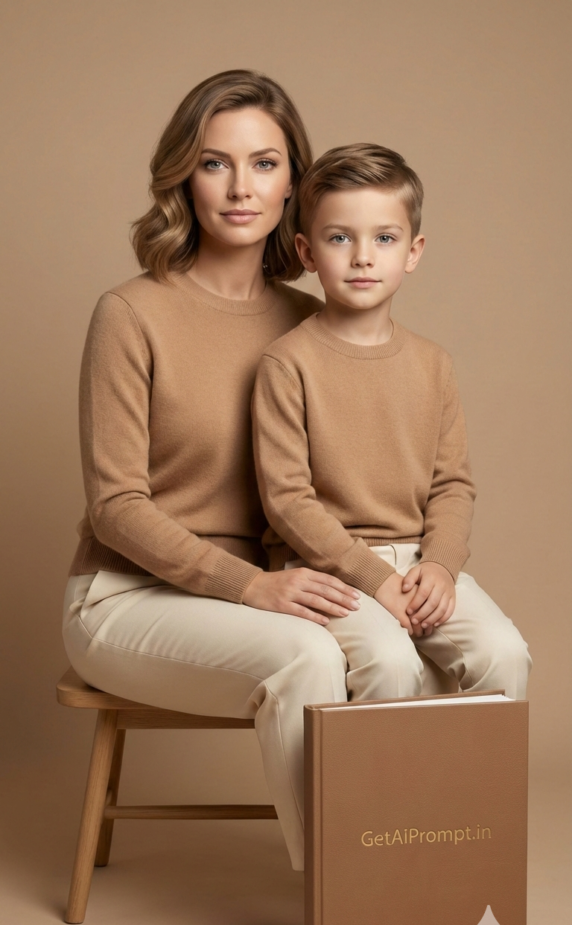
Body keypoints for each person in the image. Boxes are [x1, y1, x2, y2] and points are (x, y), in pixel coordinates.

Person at [62, 71, 362, 872]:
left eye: (264, 163)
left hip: (268, 595)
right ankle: (345, 902)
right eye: (213, 163)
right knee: (308, 657)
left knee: (396, 648)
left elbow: (344, 486)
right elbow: (116, 506)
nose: (240, 188)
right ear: (182, 178)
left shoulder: (313, 323)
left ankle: (406, 867)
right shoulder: (131, 313)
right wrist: (251, 586)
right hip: (125, 598)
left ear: (293, 182)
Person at [252, 143, 531, 701]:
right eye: (340, 238)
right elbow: (287, 501)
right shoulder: (286, 363)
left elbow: (452, 485)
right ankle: (372, 768)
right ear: (307, 252)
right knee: (389, 662)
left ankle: (465, 769)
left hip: (421, 563)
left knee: (505, 653)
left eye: (384, 238)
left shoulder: (433, 364)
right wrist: (376, 579)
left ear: (412, 251)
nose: (363, 257)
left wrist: (443, 566)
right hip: (327, 568)